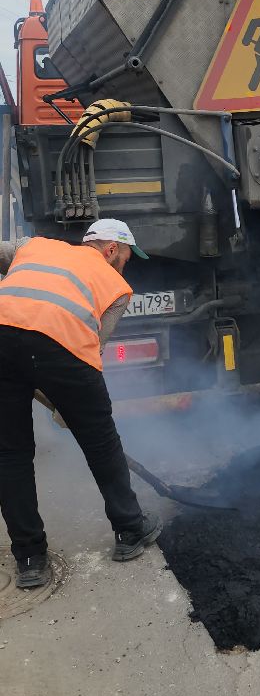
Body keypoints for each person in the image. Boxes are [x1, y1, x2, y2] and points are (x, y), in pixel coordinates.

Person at [0, 219, 161, 588]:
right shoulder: (118, 289)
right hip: (62, 348)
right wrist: (69, 406)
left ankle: (30, 560)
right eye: (125, 255)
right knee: (101, 441)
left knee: (10, 454)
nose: (126, 263)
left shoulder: (32, 245)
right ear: (110, 249)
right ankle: (130, 530)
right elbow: (92, 346)